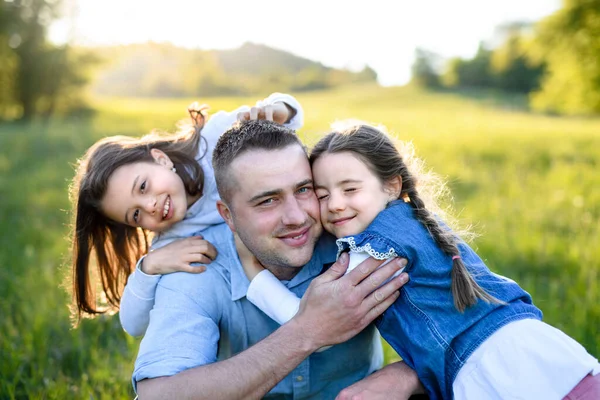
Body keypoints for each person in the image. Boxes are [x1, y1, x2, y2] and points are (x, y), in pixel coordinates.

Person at [242, 123, 600, 400]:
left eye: (350, 190)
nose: (334, 204)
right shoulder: (414, 222)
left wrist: (254, 274)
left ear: (391, 186)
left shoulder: (375, 248)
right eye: (322, 195)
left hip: (496, 370)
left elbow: (314, 326)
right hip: (535, 348)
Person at [132, 120, 422, 399]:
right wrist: (305, 332)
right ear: (228, 216)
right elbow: (155, 395)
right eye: (267, 200)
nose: (296, 218)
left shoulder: (359, 232)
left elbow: (463, 323)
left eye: (303, 189)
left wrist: (405, 376)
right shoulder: (197, 267)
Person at [68, 93, 303, 329]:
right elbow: (132, 325)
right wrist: (149, 266)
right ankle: (300, 320)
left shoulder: (214, 139)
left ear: (160, 159)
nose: (150, 206)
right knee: (241, 246)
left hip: (293, 215)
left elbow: (290, 117)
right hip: (254, 294)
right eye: (136, 215)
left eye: (143, 186)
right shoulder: (171, 239)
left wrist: (278, 109)